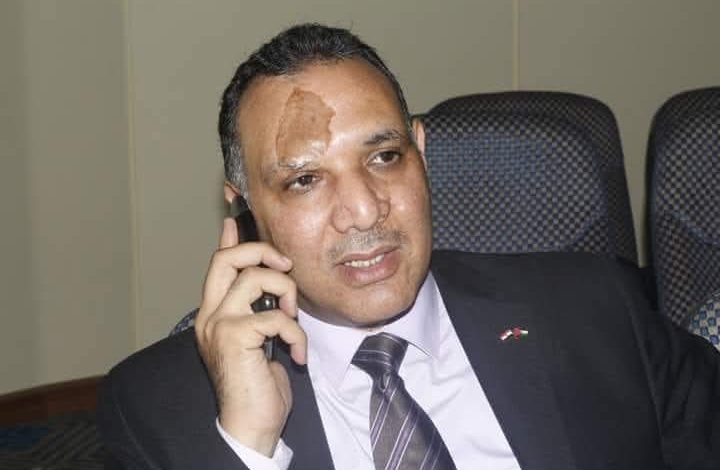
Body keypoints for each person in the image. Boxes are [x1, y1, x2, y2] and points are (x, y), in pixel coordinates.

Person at [98, 23, 720, 470]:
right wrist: (249, 449)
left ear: (421, 151)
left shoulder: (598, 307)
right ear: (244, 208)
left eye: (384, 156)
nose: (364, 210)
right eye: (305, 180)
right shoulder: (159, 408)